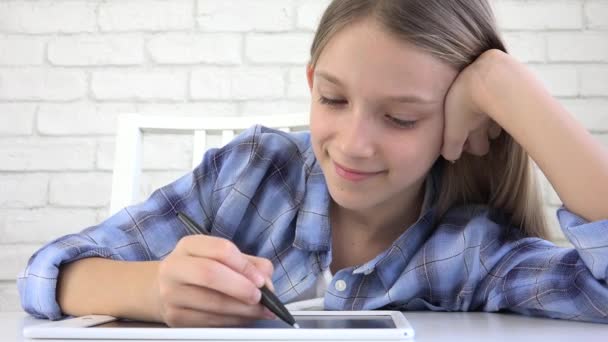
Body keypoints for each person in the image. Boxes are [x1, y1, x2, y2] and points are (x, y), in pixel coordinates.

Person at [18, 0, 608, 326]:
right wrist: (152, 288)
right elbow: (49, 272)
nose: (353, 144)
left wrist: (504, 86)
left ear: (464, 126)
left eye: (401, 119)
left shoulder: (474, 252)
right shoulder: (250, 174)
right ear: (311, 83)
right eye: (332, 99)